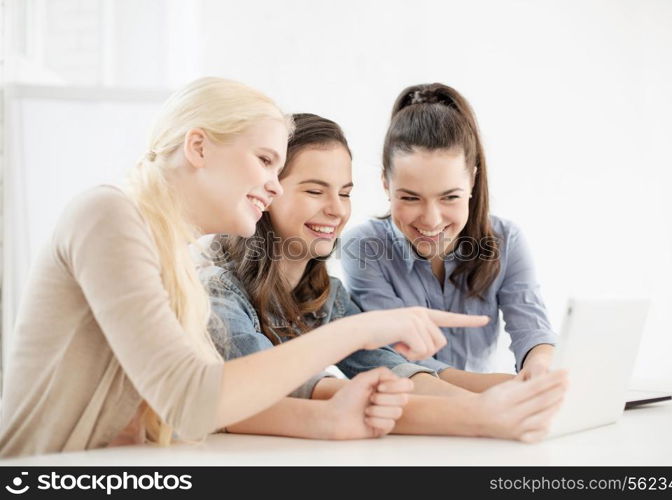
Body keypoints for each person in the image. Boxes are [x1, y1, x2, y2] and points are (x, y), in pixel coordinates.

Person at [0, 78, 480, 458]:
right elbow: (192, 399)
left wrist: (332, 422)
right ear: (199, 148)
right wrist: (362, 329)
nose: (273, 187)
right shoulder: (109, 214)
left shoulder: (174, 260)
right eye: (266, 161)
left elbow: (207, 413)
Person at [203, 113, 567, 442]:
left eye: (345, 193)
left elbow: (395, 368)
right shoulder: (217, 289)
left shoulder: (326, 295)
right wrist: (478, 413)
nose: (336, 209)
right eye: (315, 191)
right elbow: (284, 388)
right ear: (267, 191)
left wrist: (514, 392)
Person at [341, 83, 558, 388]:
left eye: (449, 197)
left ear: (472, 180)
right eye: (410, 198)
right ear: (385, 184)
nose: (431, 220)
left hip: (493, 414)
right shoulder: (363, 247)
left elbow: (533, 329)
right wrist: (503, 386)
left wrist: (540, 367)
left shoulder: (506, 239)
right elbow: (397, 359)